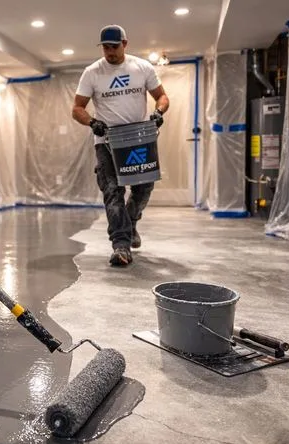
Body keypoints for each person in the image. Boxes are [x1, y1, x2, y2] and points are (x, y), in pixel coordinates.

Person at [72, 25, 170, 267]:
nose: (109, 52)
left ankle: (131, 220)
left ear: (125, 44)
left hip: (139, 138)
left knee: (144, 188)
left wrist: (158, 112)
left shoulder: (142, 67)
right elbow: (77, 108)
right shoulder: (92, 72)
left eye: (114, 47)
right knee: (112, 190)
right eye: (105, 47)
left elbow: (162, 97)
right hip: (107, 141)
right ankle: (121, 245)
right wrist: (92, 122)